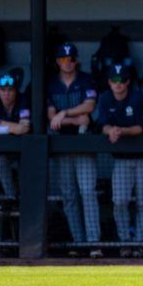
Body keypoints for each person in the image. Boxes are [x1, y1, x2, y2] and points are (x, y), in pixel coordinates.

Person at [47, 43, 102, 257]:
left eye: (70, 59)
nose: (67, 63)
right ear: (57, 61)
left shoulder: (86, 79)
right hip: (62, 145)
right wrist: (74, 119)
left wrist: (64, 114)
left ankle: (94, 242)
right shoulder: (52, 83)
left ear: (76, 60)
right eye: (63, 59)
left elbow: (89, 108)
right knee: (69, 196)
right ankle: (78, 241)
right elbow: (51, 116)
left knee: (88, 193)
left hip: (84, 144)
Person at [97, 63, 143, 257]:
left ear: (127, 81)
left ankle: (139, 242)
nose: (118, 84)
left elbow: (141, 127)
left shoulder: (137, 97)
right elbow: (101, 124)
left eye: (121, 80)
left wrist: (121, 131)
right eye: (114, 80)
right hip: (120, 159)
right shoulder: (104, 98)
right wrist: (110, 130)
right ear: (109, 82)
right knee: (119, 200)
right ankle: (124, 241)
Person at [0, 71, 31, 210]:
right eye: (3, 90)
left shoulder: (23, 100)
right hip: (3, 149)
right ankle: (11, 197)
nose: (6, 93)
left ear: (15, 91)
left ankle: (26, 199)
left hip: (23, 150)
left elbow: (24, 129)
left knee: (26, 167)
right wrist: (12, 128)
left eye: (10, 90)